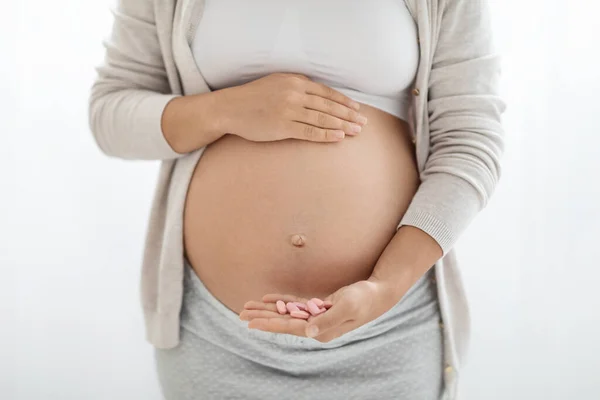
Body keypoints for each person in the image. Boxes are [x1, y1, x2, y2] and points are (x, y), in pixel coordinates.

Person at [88, 0, 506, 399]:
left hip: (389, 326)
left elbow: (470, 140)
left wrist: (385, 286)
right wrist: (223, 110)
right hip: (218, 336)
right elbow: (111, 115)